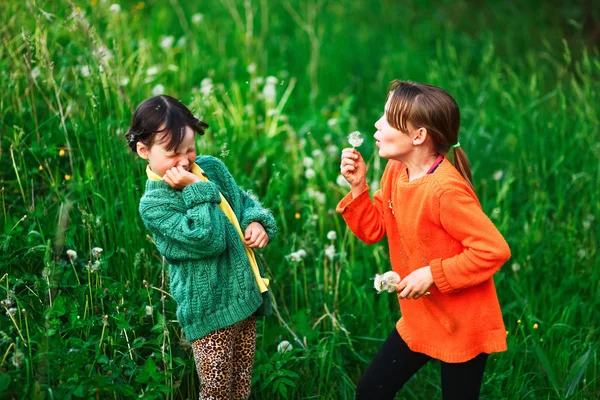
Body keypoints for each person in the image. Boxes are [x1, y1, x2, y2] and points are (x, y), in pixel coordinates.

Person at [338, 80, 511, 399]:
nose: (377, 124)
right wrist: (358, 188)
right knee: (370, 392)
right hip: (420, 318)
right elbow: (374, 230)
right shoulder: (395, 170)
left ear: (419, 136)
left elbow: (493, 250)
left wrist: (432, 273)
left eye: (388, 119)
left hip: (463, 325)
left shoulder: (444, 191)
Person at [126, 94, 277, 399]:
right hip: (209, 312)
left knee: (239, 388)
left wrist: (256, 222)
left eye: (190, 148)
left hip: (243, 297)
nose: (184, 160)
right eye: (172, 153)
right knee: (217, 392)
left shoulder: (212, 168)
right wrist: (197, 190)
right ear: (144, 150)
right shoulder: (155, 204)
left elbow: (241, 201)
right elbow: (206, 240)